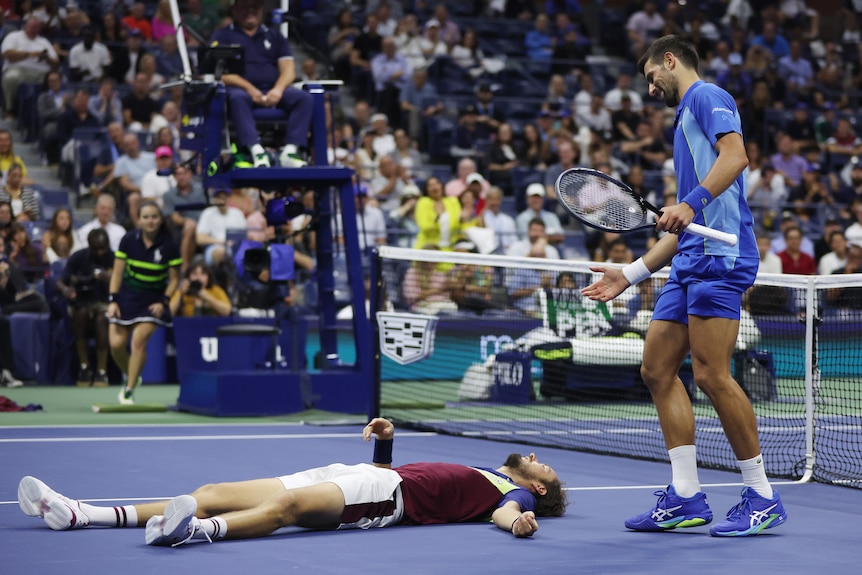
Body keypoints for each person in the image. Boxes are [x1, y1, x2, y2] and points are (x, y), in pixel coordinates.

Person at [582, 35, 787, 537]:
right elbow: (683, 228)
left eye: (653, 75)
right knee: (656, 368)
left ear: (671, 60)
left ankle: (762, 495)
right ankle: (686, 496)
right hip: (693, 257)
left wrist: (690, 202)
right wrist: (630, 274)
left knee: (713, 375)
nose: (652, 87)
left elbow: (736, 157)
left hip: (721, 257)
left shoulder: (706, 96)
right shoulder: (684, 123)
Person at [17, 418, 566, 546]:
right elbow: (391, 470)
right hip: (364, 475)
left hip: (384, 500)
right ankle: (83, 513)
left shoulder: (508, 492)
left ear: (536, 488)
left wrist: (517, 520)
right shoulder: (487, 472)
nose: (539, 459)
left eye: (546, 469)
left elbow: (502, 513)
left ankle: (192, 534)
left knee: (290, 508)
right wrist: (386, 442)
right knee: (210, 490)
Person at [210, 0, 313, 168]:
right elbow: (219, 73)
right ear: (235, 10)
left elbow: (289, 70)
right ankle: (256, 151)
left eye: (255, 7)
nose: (250, 11)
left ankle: (290, 151)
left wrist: (278, 90)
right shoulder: (222, 35)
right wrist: (250, 89)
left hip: (273, 90)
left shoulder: (275, 36)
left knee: (304, 98)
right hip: (241, 91)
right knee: (236, 97)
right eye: (245, 7)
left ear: (262, 10)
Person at [107, 201, 181, 405]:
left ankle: (128, 390)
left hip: (152, 301)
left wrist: (164, 302)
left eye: (154, 217)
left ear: (160, 219)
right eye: (146, 217)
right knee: (116, 345)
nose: (150, 221)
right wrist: (113, 300)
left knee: (138, 340)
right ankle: (133, 374)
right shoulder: (128, 240)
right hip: (126, 298)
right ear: (139, 220)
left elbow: (175, 279)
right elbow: (117, 273)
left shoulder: (170, 245)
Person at [58, 228, 114, 387]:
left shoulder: (115, 258)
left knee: (101, 319)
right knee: (80, 314)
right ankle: (84, 366)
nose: (101, 252)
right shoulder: (79, 257)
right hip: (82, 302)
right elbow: (60, 281)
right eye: (96, 249)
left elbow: (127, 284)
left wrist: (110, 278)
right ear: (89, 246)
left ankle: (102, 371)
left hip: (105, 303)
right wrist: (66, 290)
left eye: (103, 248)